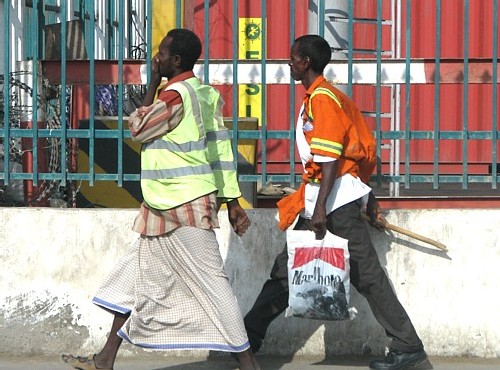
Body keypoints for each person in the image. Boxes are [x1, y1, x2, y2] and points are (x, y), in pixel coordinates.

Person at [61, 28, 260, 370]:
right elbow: (222, 154)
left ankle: (248, 364)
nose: (157, 58)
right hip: (166, 206)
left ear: (176, 60)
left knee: (213, 285)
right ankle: (104, 359)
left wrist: (152, 81)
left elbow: (138, 128)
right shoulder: (203, 94)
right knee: (132, 280)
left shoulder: (175, 96)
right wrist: (232, 202)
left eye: (162, 54)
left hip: (180, 206)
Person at [239, 35, 432, 370]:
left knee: (365, 275)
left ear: (306, 62)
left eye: (293, 58)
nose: (289, 63)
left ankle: (408, 346)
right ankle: (245, 341)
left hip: (331, 204)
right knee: (286, 272)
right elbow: (350, 155)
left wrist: (319, 209)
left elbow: (330, 160)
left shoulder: (323, 100)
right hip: (327, 199)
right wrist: (362, 194)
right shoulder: (323, 97)